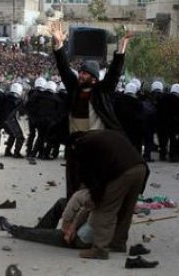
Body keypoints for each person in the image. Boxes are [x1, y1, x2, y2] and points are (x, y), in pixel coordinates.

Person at [49, 20, 133, 199]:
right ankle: (71, 220)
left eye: (85, 73)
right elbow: (64, 68)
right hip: (75, 145)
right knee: (73, 185)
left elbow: (115, 73)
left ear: (94, 78)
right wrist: (58, 45)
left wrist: (122, 48)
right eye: (80, 73)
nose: (80, 75)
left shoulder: (102, 91)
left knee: (94, 186)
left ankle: (91, 218)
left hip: (96, 144)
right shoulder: (74, 90)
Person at [66, 130, 149, 259]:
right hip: (140, 169)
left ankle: (100, 249)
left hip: (122, 172)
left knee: (105, 209)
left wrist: (96, 197)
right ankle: (118, 243)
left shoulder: (82, 145)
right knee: (126, 209)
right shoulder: (101, 135)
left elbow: (93, 178)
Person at [0, 189, 94, 249]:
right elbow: (87, 207)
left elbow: (81, 200)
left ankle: (14, 230)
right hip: (92, 219)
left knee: (52, 235)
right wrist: (73, 224)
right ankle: (40, 229)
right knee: (62, 203)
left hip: (84, 238)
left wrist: (70, 226)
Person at [3, 83, 25, 158]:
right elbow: (22, 112)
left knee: (12, 135)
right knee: (20, 137)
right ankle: (16, 153)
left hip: (2, 119)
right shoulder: (18, 100)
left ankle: (7, 151)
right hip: (11, 120)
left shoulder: (5, 97)